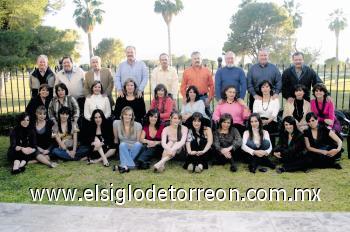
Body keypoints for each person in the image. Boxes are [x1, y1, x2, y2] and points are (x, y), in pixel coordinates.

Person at [113, 106, 143, 173]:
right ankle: (130, 165)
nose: (128, 117)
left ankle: (123, 165)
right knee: (122, 144)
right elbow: (116, 139)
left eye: (130, 115)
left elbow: (138, 141)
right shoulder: (116, 123)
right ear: (122, 115)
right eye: (125, 114)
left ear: (132, 116)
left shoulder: (138, 125)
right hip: (123, 148)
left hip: (134, 148)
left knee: (138, 144)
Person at [253, 80, 279, 146]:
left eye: (267, 87)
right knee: (255, 126)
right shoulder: (257, 100)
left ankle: (267, 146)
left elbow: (274, 113)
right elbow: (255, 113)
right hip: (259, 121)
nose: (265, 89)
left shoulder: (275, 100)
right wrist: (260, 121)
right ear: (260, 89)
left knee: (266, 128)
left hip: (271, 121)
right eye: (263, 87)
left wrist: (267, 121)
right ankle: (257, 145)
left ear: (270, 88)